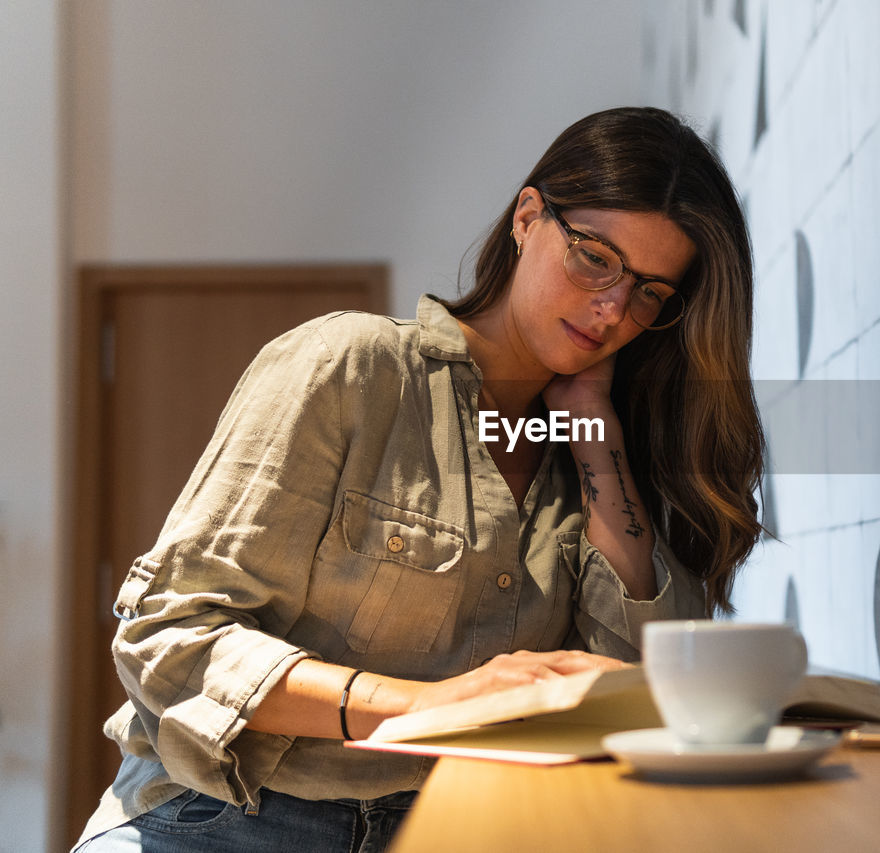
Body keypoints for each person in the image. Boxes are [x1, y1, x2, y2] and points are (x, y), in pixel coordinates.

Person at [74, 106, 765, 851]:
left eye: (650, 293)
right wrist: (432, 704)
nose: (612, 307)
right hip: (229, 816)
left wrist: (598, 437)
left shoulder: (598, 455)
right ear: (528, 218)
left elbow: (632, 686)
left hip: (455, 826)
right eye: (596, 257)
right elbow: (169, 634)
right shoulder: (352, 367)